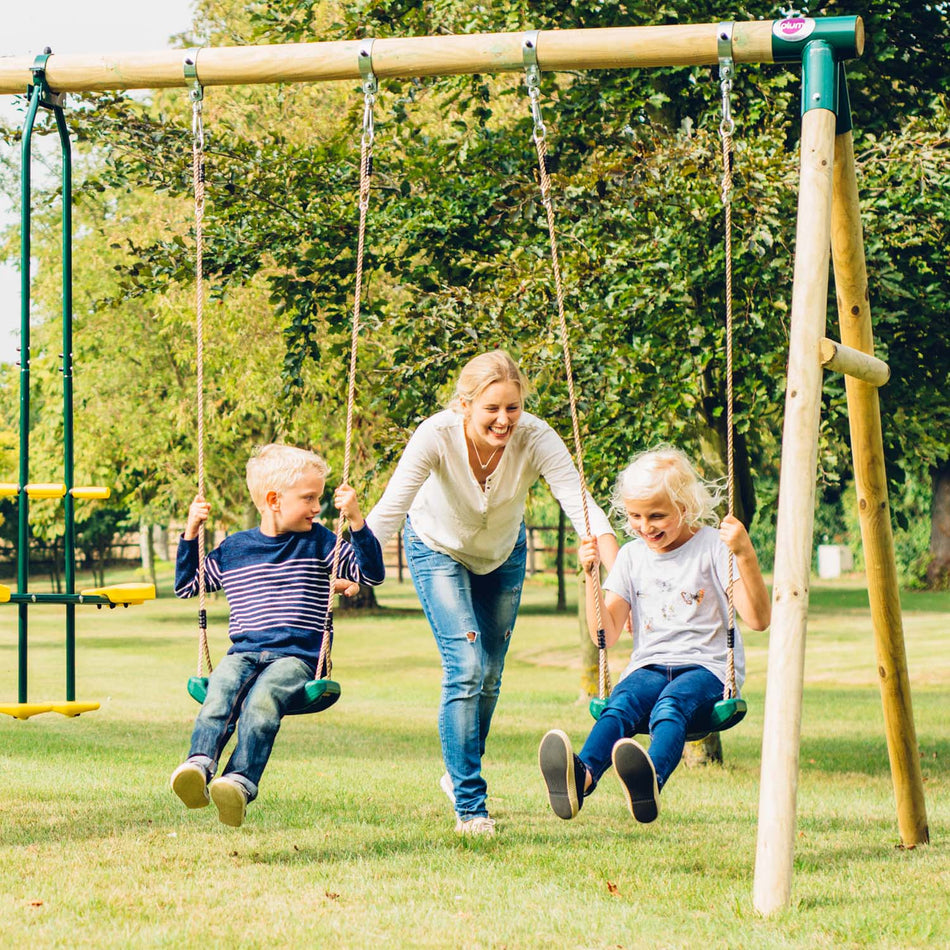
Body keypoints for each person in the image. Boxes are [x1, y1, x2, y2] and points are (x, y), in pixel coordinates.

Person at [366, 350, 618, 836]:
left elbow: (580, 504)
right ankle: (470, 804)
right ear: (465, 404)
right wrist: (351, 564)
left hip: (504, 553)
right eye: (492, 409)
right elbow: (389, 510)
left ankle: (458, 766)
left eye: (513, 408)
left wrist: (623, 569)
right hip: (437, 546)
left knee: (492, 674)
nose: (504, 420)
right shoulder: (435, 436)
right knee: (466, 664)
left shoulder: (537, 437)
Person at [539, 445, 770, 824]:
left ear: (685, 507)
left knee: (672, 704)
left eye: (657, 515)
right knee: (620, 704)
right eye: (635, 516)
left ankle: (649, 781)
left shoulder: (713, 546)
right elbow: (605, 634)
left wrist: (744, 553)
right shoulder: (631, 557)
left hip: (706, 668)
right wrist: (590, 576)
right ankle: (581, 777)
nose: (645, 526)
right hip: (648, 665)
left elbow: (758, 618)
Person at [170, 443, 384, 827]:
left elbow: (371, 575)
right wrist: (190, 532)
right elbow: (188, 586)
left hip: (294, 659)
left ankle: (238, 782)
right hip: (243, 653)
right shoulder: (234, 549)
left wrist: (356, 522)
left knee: (263, 701)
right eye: (309, 498)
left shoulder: (321, 543)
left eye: (319, 497)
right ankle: (198, 765)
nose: (318, 507)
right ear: (273, 500)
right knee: (220, 691)